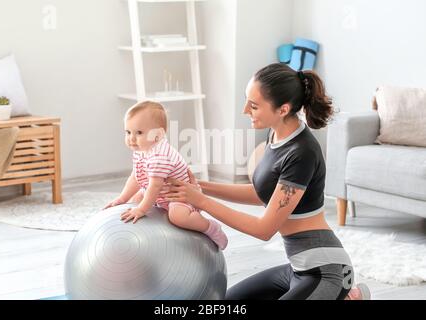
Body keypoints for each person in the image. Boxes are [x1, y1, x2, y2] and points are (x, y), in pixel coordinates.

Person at [164, 63, 371, 300]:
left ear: (282, 109)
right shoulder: (276, 133)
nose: (245, 110)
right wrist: (201, 187)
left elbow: (264, 229)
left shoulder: (302, 152)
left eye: (253, 105)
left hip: (326, 272)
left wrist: (200, 201)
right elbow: (262, 194)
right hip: (297, 270)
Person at [103, 101, 228, 250]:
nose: (131, 138)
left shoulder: (160, 156)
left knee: (178, 216)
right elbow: (136, 177)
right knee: (134, 200)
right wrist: (122, 198)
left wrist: (142, 209)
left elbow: (155, 186)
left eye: (139, 133)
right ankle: (143, 240)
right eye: (128, 132)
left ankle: (210, 227)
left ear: (157, 135)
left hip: (180, 196)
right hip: (160, 194)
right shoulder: (142, 150)